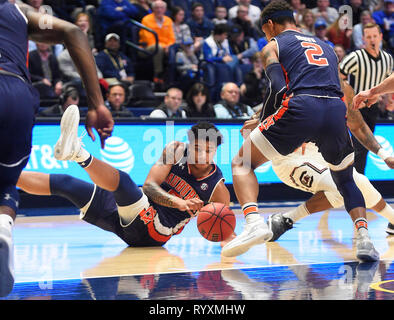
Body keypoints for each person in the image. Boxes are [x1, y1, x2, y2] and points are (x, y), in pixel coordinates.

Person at [221, 1, 379, 263]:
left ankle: (253, 222)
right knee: (346, 180)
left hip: (302, 105)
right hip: (334, 110)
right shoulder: (328, 48)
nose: (266, 37)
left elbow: (278, 88)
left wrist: (263, 119)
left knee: (242, 161)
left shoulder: (273, 46)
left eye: (265, 31)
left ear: (270, 25)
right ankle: (364, 238)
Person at [0, 1, 113, 297]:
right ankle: (3, 226)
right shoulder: (17, 10)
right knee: (6, 182)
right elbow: (74, 31)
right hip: (14, 94)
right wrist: (98, 104)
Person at [17, 114, 230, 249]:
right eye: (197, 148)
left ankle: (78, 154)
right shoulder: (175, 150)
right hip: (131, 217)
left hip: (157, 231)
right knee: (65, 183)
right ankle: (7, 176)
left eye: (208, 150)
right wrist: (179, 202)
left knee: (124, 183)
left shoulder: (217, 189)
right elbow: (149, 187)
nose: (202, 154)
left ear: (216, 151)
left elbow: (224, 230)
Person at [239, 81, 394, 243]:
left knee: (359, 181)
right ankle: (287, 219)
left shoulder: (342, 88)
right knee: (341, 187)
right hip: (290, 159)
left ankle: (285, 219)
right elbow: (250, 128)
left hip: (320, 152)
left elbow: (359, 126)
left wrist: (384, 155)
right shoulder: (289, 85)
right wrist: (259, 124)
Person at [340, 23, 393, 174]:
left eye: (375, 36)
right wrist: (348, 101)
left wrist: (389, 100)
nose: (372, 40)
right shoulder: (355, 57)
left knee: (365, 149)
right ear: (363, 39)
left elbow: (388, 81)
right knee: (356, 149)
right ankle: (354, 184)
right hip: (354, 109)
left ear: (381, 37)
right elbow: (338, 78)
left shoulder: (387, 59)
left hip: (372, 108)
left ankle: (357, 183)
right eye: (368, 37)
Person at [139, 0, 176, 83]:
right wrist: (164, 46)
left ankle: (172, 76)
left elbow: (172, 38)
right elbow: (149, 39)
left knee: (173, 48)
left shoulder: (168, 20)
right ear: (153, 9)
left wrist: (168, 46)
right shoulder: (146, 20)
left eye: (161, 8)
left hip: (165, 47)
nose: (159, 10)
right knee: (158, 48)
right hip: (146, 48)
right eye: (157, 8)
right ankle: (158, 74)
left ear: (165, 10)